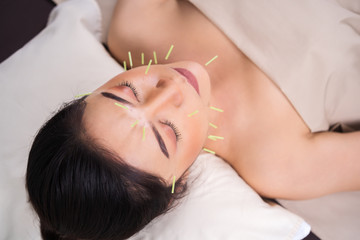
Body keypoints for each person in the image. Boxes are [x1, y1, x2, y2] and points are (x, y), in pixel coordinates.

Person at [26, 0, 360, 239]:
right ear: (178, 185)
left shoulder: (135, 26)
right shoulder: (275, 162)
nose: (170, 89)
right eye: (167, 132)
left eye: (127, 91)